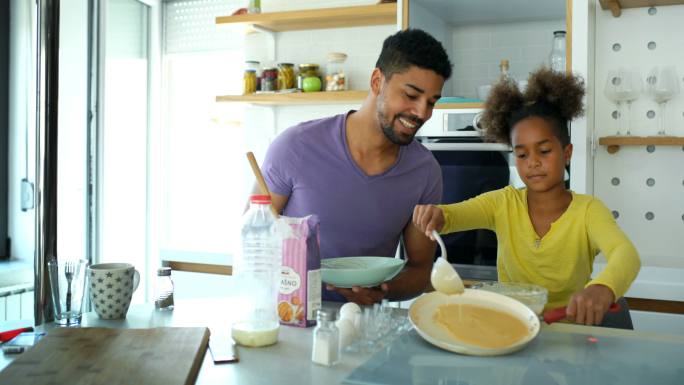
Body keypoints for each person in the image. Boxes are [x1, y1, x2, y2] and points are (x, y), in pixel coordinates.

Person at [412, 68, 641, 328]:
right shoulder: (503, 203)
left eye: (543, 151)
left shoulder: (588, 211)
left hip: (570, 336)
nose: (532, 162)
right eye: (521, 155)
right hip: (511, 328)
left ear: (566, 153)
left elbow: (626, 253)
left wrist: (603, 288)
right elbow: (453, 216)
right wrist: (436, 215)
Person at [259, 29, 453, 305]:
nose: (422, 113)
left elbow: (420, 270)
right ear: (377, 81)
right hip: (287, 317)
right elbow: (252, 243)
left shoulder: (425, 171)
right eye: (411, 95)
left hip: (363, 327)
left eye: (431, 102)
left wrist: (383, 290)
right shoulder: (295, 146)